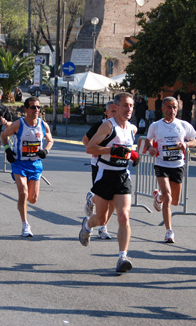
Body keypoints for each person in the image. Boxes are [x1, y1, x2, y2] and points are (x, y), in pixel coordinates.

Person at [80, 92, 138, 273]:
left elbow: (127, 151)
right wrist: (112, 150)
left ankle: (122, 257)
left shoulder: (132, 129)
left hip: (122, 176)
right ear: (117, 107)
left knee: (124, 216)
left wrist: (132, 156)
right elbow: (90, 148)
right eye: (125, 105)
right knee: (101, 219)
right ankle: (88, 224)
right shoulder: (107, 126)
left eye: (131, 106)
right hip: (105, 175)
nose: (129, 109)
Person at [144, 96, 196, 243]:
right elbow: (148, 140)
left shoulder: (183, 125)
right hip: (161, 164)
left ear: (178, 109)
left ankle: (158, 198)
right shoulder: (155, 126)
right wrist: (150, 148)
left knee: (174, 201)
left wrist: (186, 144)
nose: (172, 110)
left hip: (178, 165)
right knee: (168, 197)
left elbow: (194, 140)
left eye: (174, 107)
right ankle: (169, 231)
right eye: (169, 107)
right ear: (163, 109)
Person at [1, 96, 53, 237]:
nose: (36, 110)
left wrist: (45, 150)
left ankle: (22, 206)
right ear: (26, 109)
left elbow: (50, 140)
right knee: (23, 193)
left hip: (35, 165)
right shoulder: (19, 124)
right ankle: (25, 225)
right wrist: (7, 149)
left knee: (33, 199)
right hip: (19, 163)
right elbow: (4, 135)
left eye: (38, 107)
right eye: (33, 107)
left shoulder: (43, 125)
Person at [82, 101, 119, 240]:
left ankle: (103, 227)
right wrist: (95, 152)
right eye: (112, 112)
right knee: (104, 198)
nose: (115, 114)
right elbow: (85, 139)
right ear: (107, 112)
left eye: (117, 112)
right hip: (99, 165)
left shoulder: (121, 126)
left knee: (113, 200)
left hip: (116, 168)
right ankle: (92, 199)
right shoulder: (101, 126)